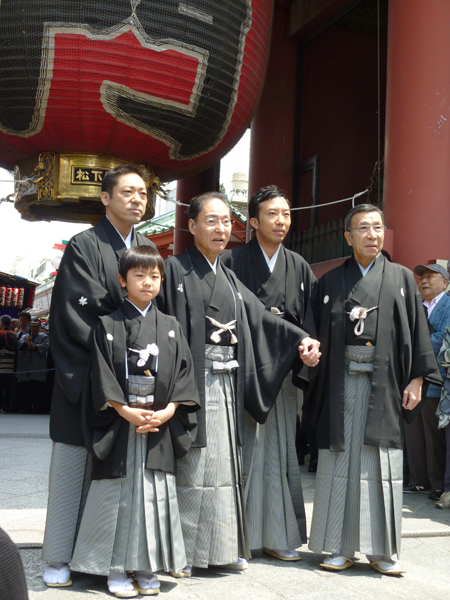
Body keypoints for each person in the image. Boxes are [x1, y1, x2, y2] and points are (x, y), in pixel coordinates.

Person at [157, 191, 320, 575]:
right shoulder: (175, 271)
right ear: (192, 226)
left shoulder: (228, 277)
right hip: (193, 378)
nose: (219, 228)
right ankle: (185, 553)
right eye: (210, 221)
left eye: (224, 221)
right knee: (196, 466)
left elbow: (261, 317)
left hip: (229, 382)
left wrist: (300, 338)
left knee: (227, 468)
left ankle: (223, 547)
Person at [306, 204, 440, 576]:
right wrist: (309, 353)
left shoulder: (399, 278)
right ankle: (338, 545)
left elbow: (418, 333)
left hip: (387, 385)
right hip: (340, 382)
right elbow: (312, 331)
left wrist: (417, 378)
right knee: (339, 461)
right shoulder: (330, 283)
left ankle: (382, 550)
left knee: (382, 464)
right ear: (348, 237)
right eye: (363, 228)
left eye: (377, 227)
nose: (372, 234)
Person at [42, 164, 156, 588]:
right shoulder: (84, 245)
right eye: (127, 192)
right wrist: (116, 359)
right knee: (74, 467)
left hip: (134, 379)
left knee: (117, 476)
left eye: (142, 193)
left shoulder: (145, 247)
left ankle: (105, 557)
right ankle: (57, 555)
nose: (137, 199)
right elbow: (75, 313)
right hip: (89, 373)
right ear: (105, 198)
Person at [70, 246, 200, 597]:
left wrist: (171, 410)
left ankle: (146, 566)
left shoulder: (171, 327)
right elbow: (100, 374)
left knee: (154, 497)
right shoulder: (108, 325)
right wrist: (124, 410)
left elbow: (185, 375)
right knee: (120, 496)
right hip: (121, 420)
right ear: (122, 281)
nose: (148, 282)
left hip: (157, 421)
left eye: (154, 276)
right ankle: (114, 569)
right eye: (139, 275)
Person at [221, 185, 316, 560]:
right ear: (254, 221)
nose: (281, 221)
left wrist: (308, 347)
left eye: (286, 214)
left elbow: (311, 320)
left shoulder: (300, 266)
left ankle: (278, 536)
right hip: (243, 370)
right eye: (272, 214)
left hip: (281, 372)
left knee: (279, 452)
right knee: (242, 451)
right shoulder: (229, 262)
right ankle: (237, 538)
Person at [403, 264, 450, 501]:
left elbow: (442, 337)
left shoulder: (448, 305)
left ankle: (437, 484)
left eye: (431, 276)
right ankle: (418, 480)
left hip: (436, 379)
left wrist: (412, 346)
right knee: (414, 431)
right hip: (412, 378)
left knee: (433, 435)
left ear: (445, 281)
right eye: (422, 277)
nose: (424, 280)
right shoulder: (416, 307)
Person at [15, 317, 49, 414]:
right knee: (25, 390)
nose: (34, 329)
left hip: (38, 368)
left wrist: (34, 347)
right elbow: (19, 345)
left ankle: (38, 408)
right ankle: (25, 407)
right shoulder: (24, 336)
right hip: (25, 368)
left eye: (36, 327)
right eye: (32, 327)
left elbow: (45, 347)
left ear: (39, 327)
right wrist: (26, 342)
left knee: (38, 390)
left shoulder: (44, 337)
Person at [0, 315, 17, 412]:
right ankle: (7, 406)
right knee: (7, 387)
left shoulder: (1, 333)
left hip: (1, 364)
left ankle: (1, 405)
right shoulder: (14, 334)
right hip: (10, 365)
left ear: (2, 323)